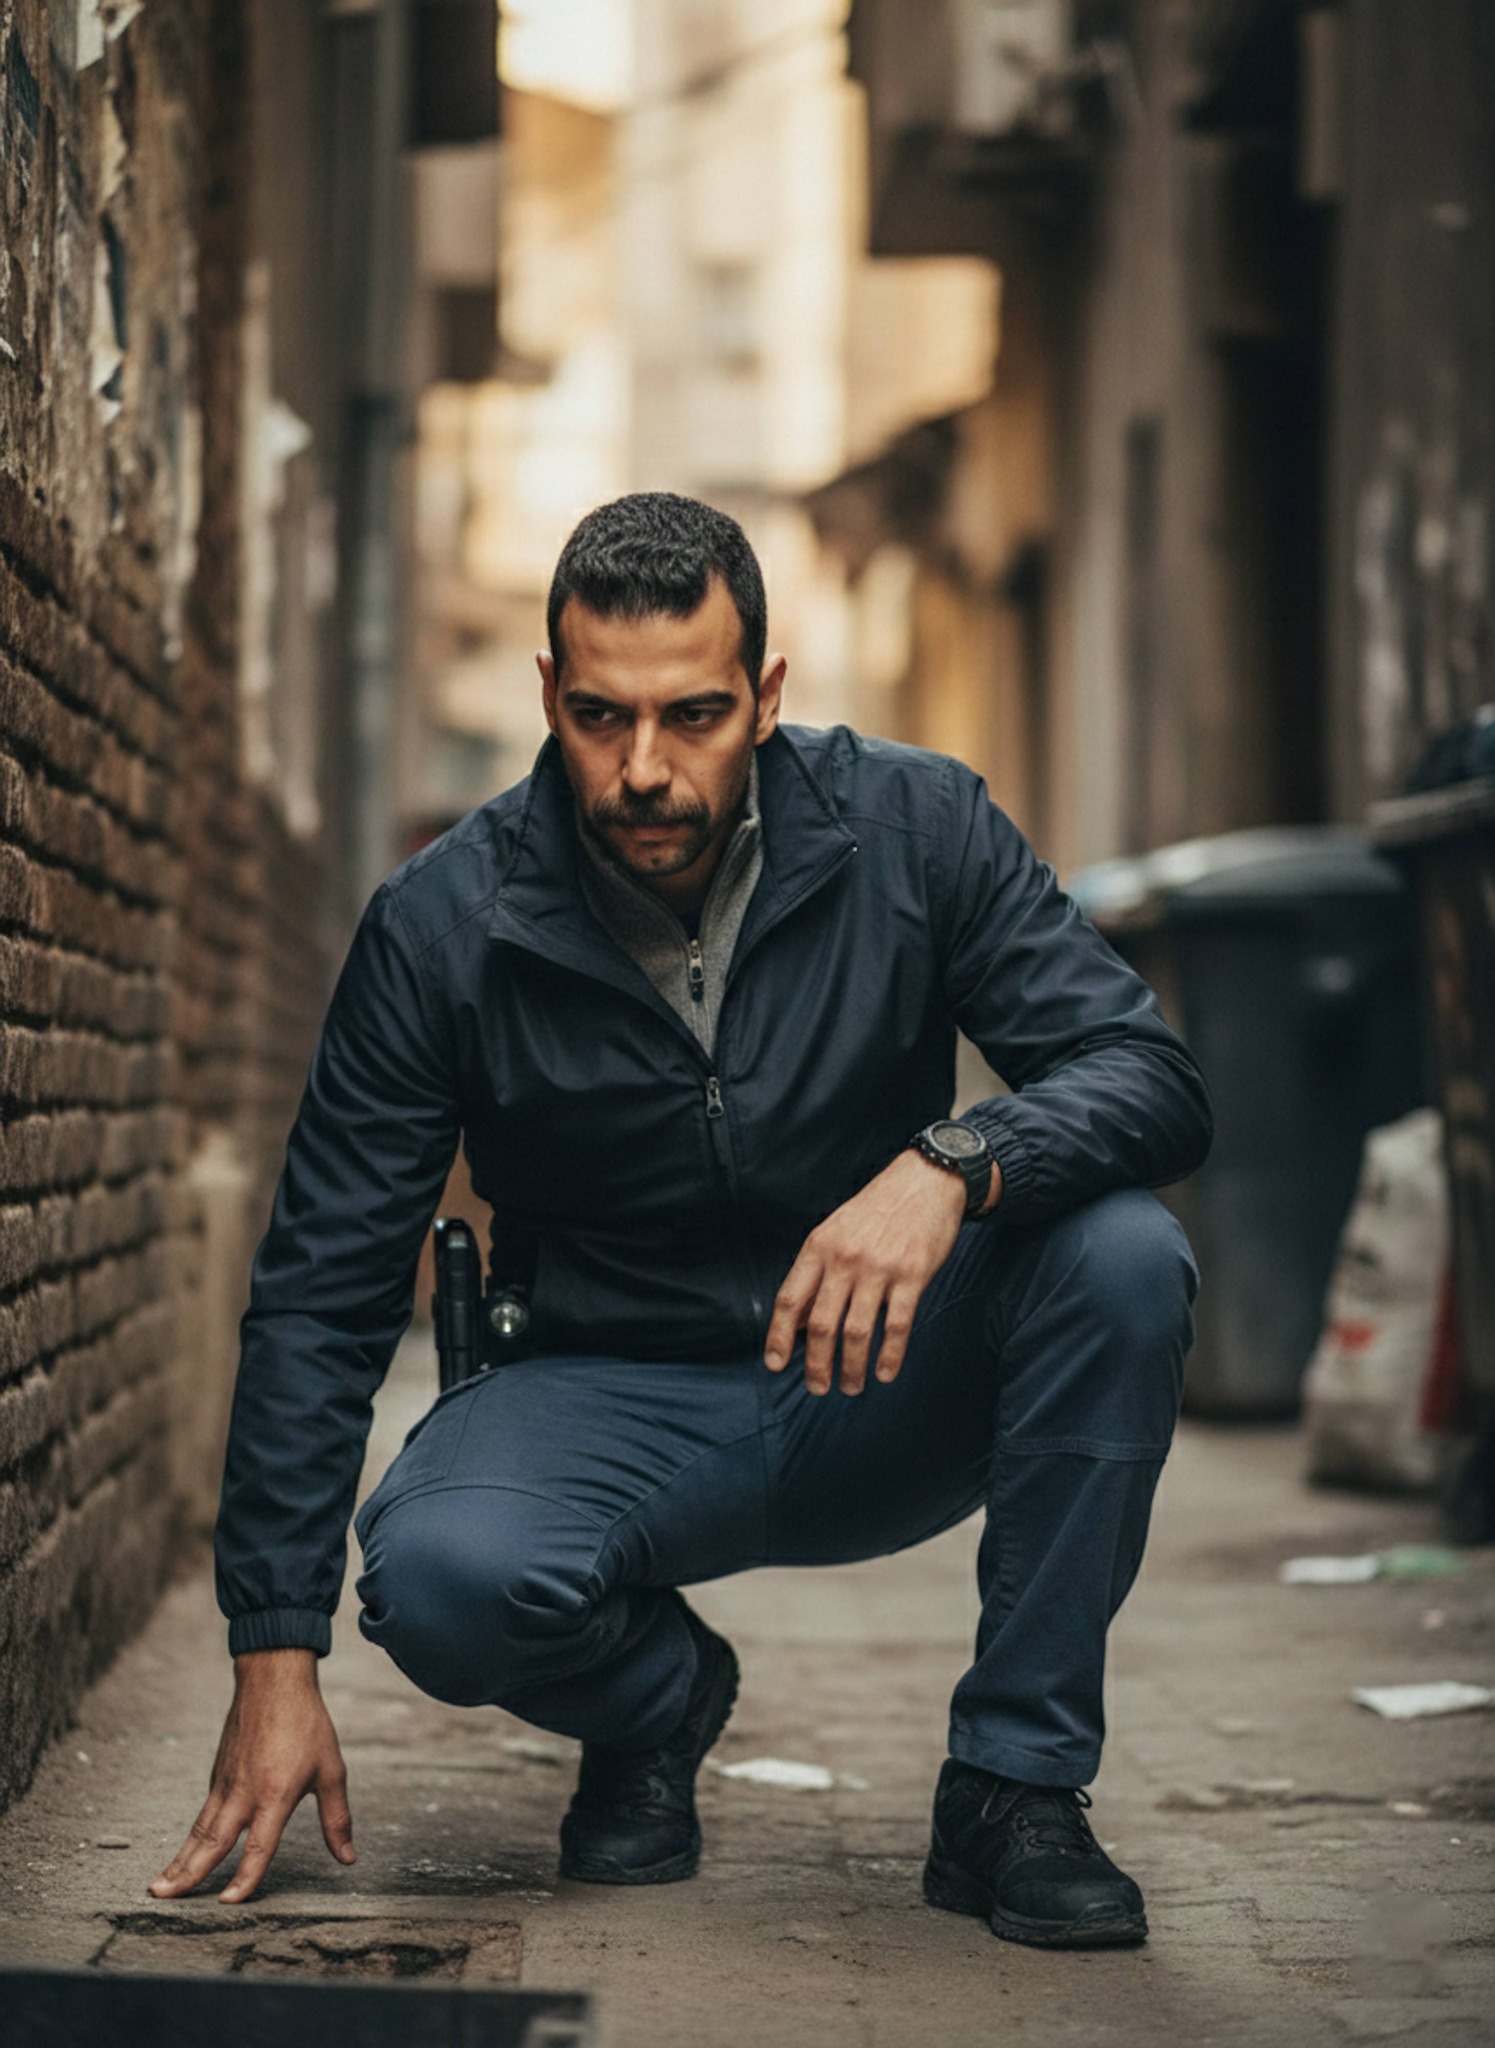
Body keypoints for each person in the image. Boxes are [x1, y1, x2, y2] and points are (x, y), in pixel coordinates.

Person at [151, 493, 1210, 1950]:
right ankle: (660, 1702)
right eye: (598, 718)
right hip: (605, 1394)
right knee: (441, 1582)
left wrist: (956, 1161)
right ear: (547, 694)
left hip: (883, 1380)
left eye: (695, 715)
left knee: (1124, 1257)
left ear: (767, 695)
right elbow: (322, 1289)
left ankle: (1013, 1789)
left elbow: (1149, 1076)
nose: (644, 769)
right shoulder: (444, 925)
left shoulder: (918, 830)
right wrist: (272, 1650)